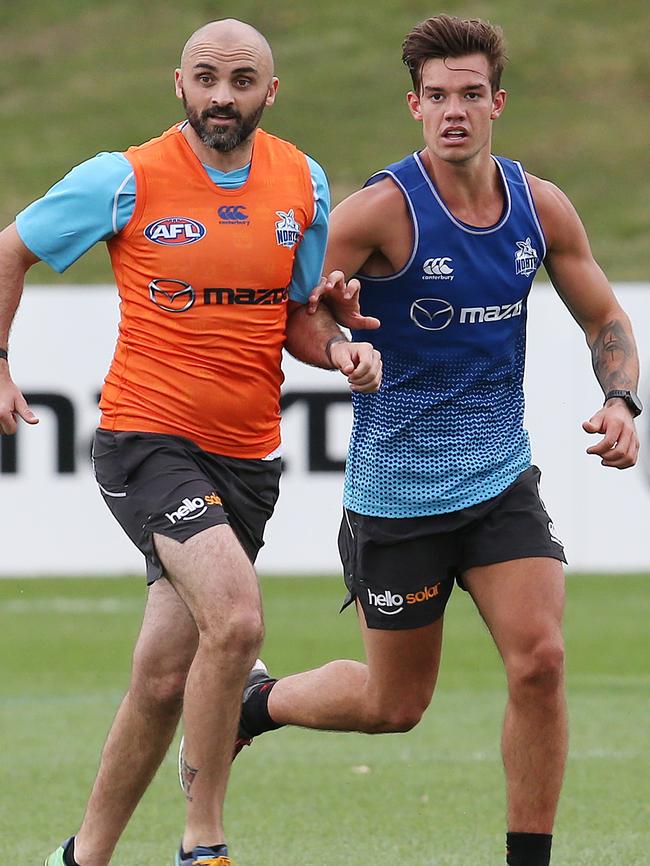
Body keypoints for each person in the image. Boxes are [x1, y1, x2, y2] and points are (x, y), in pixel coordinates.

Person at [223, 14, 642, 866]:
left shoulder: (539, 206)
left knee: (542, 663)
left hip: (499, 482)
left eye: (472, 95)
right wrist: (340, 343)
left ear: (499, 103)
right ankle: (256, 704)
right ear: (416, 105)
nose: (456, 111)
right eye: (440, 96)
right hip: (397, 496)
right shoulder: (379, 210)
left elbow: (604, 316)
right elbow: (288, 311)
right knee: (393, 705)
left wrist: (623, 398)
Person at [0, 18, 381, 866]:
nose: (222, 96)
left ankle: (81, 856)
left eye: (242, 81)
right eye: (206, 78)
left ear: (269, 93)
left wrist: (342, 348)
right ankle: (202, 840)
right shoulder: (123, 177)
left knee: (164, 679)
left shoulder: (303, 183)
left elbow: (300, 321)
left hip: (248, 457)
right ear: (179, 83)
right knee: (239, 620)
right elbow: (9, 253)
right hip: (146, 438)